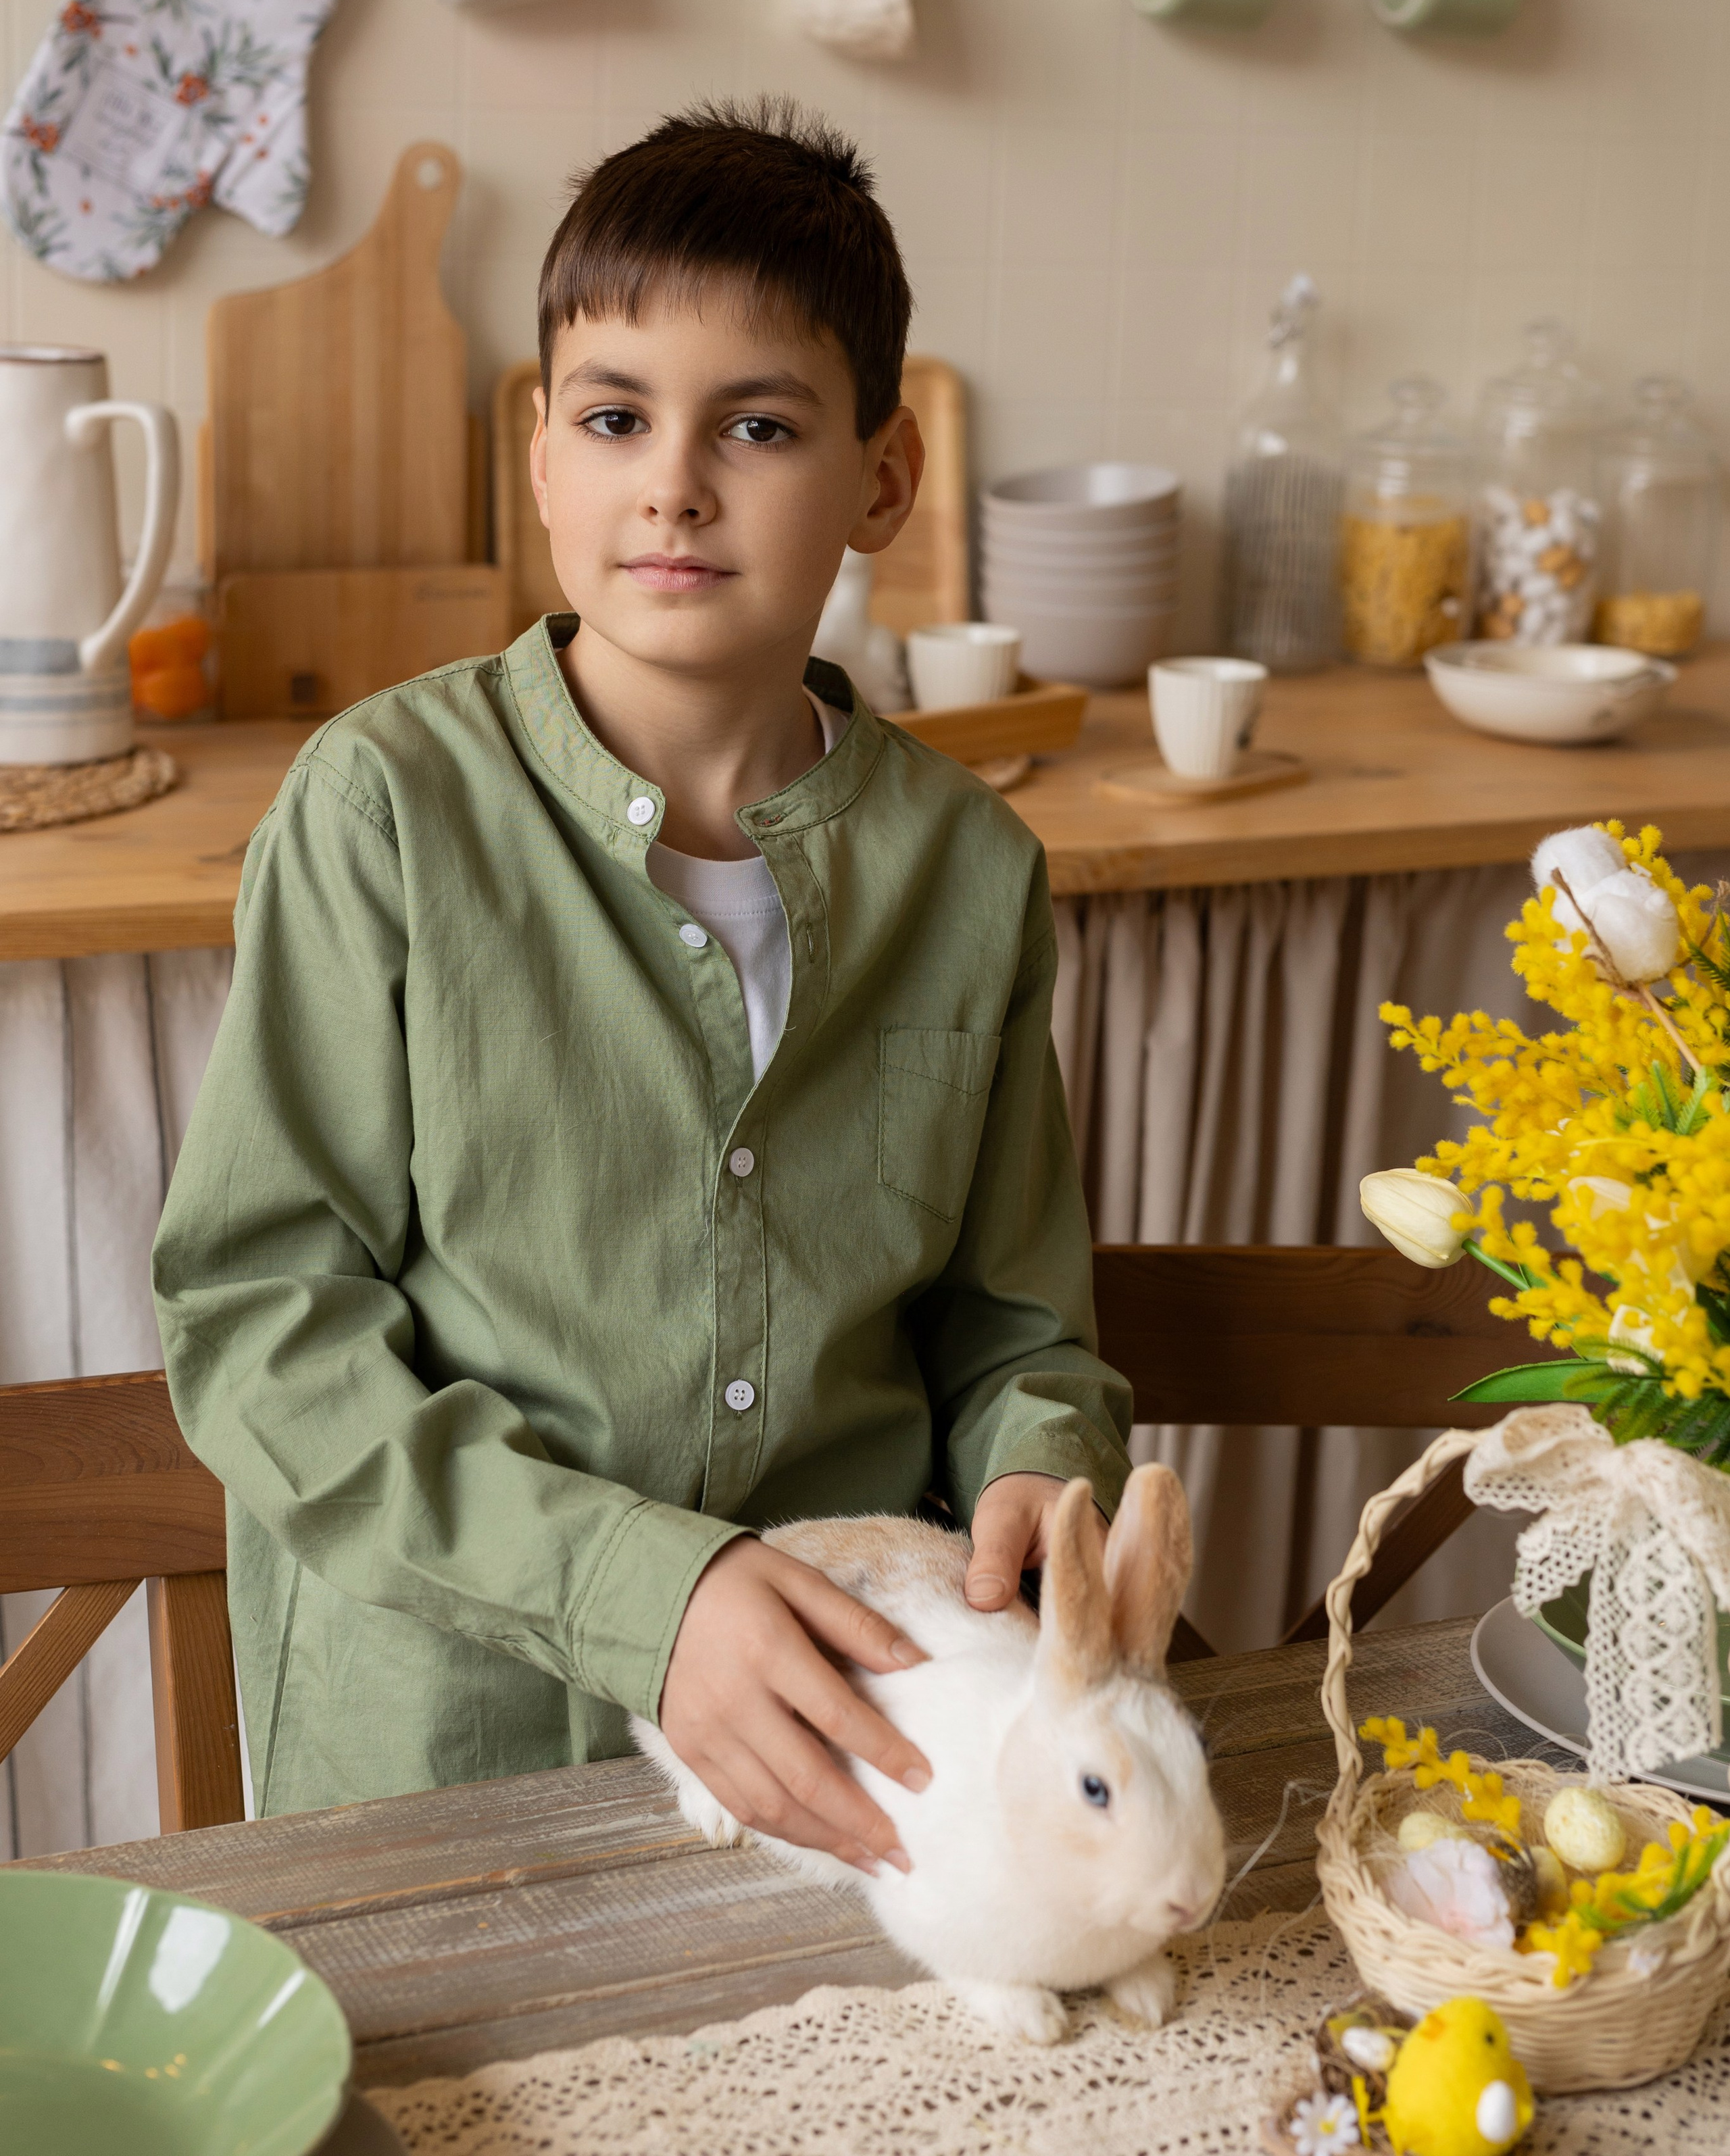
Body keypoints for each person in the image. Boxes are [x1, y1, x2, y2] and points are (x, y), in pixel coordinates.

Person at [153, 97, 1133, 1876]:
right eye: (616, 419)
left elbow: (1011, 1325)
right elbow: (265, 1327)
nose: (672, 482)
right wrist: (651, 1603)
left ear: (883, 481)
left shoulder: (971, 871)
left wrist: (1042, 1472)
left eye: (756, 425)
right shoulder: (381, 810)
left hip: (865, 1764)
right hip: (450, 1776)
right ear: (543, 460)